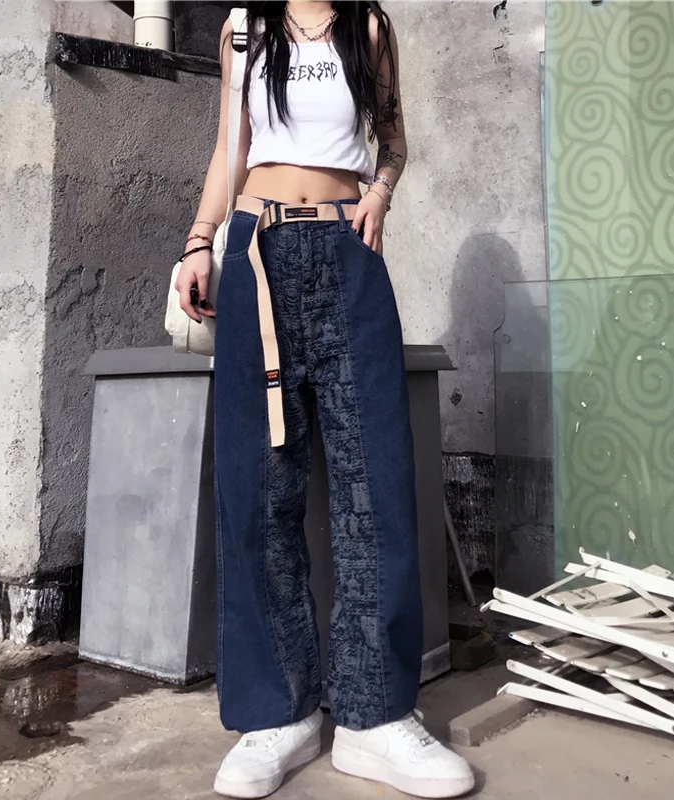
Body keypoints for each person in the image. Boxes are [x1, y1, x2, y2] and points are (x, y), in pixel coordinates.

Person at [176, 2, 475, 798]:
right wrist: (199, 240)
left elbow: (394, 143)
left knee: (374, 483)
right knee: (258, 489)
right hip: (258, 252)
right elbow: (231, 148)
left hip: (348, 248)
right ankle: (280, 713)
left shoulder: (368, 28)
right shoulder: (243, 28)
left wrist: (381, 191)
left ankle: (374, 719)